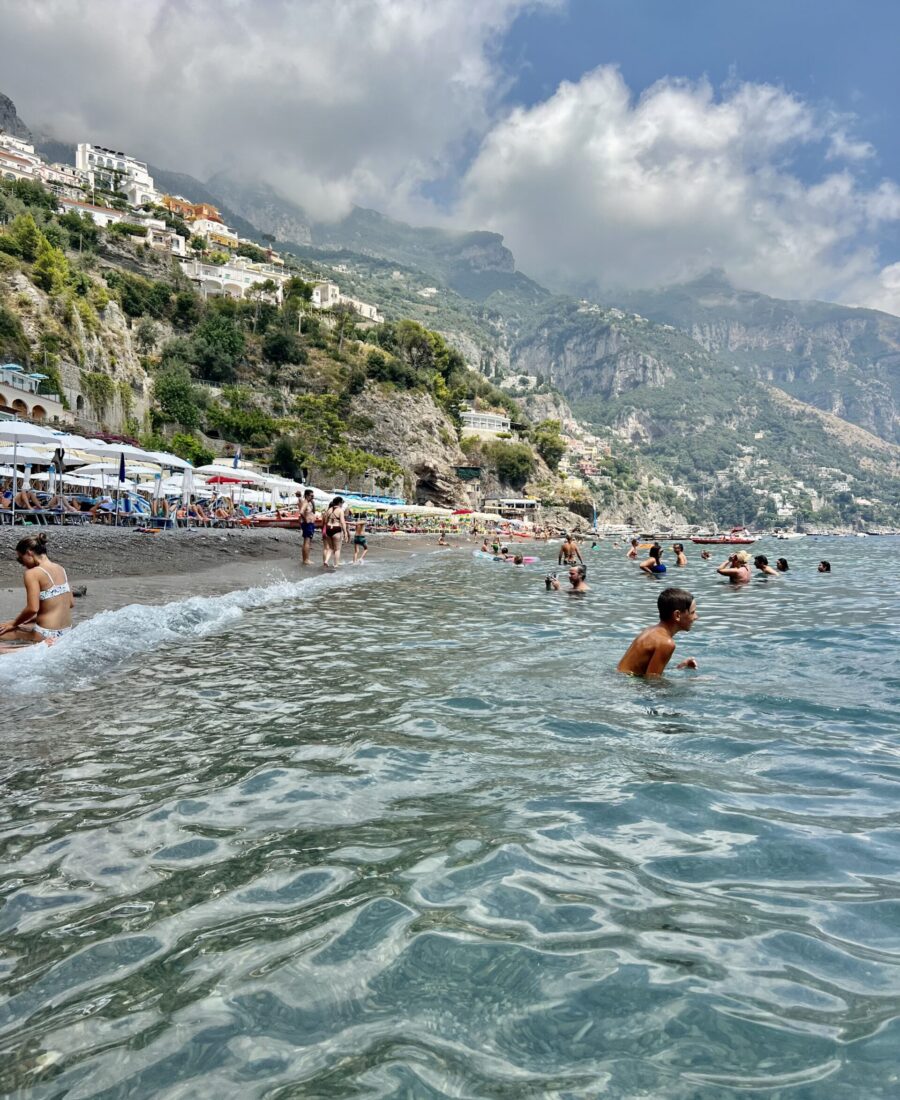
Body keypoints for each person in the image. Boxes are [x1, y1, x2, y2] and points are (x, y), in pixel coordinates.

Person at [0, 533, 74, 649]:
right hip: (66, 631)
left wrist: (13, 624)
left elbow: (33, 608)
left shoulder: (32, 573)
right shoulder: (61, 569)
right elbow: (70, 603)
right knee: (24, 624)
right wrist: (26, 621)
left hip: (46, 634)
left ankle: (21, 649)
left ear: (29, 552)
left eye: (20, 559)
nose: (22, 564)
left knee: (3, 630)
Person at [617, 587, 698, 677]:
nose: (696, 617)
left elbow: (644, 671)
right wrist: (693, 682)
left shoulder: (650, 630)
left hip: (619, 678)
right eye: (693, 612)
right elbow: (653, 682)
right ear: (677, 615)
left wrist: (680, 667)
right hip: (626, 684)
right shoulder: (666, 643)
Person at [322, 496, 350, 569]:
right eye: (342, 503)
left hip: (328, 528)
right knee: (337, 549)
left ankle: (326, 561)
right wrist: (345, 533)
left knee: (331, 548)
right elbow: (343, 522)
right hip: (336, 528)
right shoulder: (340, 510)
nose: (342, 504)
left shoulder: (329, 510)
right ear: (339, 503)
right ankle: (336, 564)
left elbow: (325, 521)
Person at [297, 489, 317, 565]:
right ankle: (306, 560)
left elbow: (314, 512)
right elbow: (301, 512)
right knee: (307, 542)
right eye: (311, 496)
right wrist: (305, 520)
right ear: (306, 495)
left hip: (309, 524)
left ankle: (305, 559)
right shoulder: (305, 503)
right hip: (308, 524)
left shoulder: (308, 503)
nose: (313, 497)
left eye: (313, 496)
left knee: (307, 542)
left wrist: (313, 503)